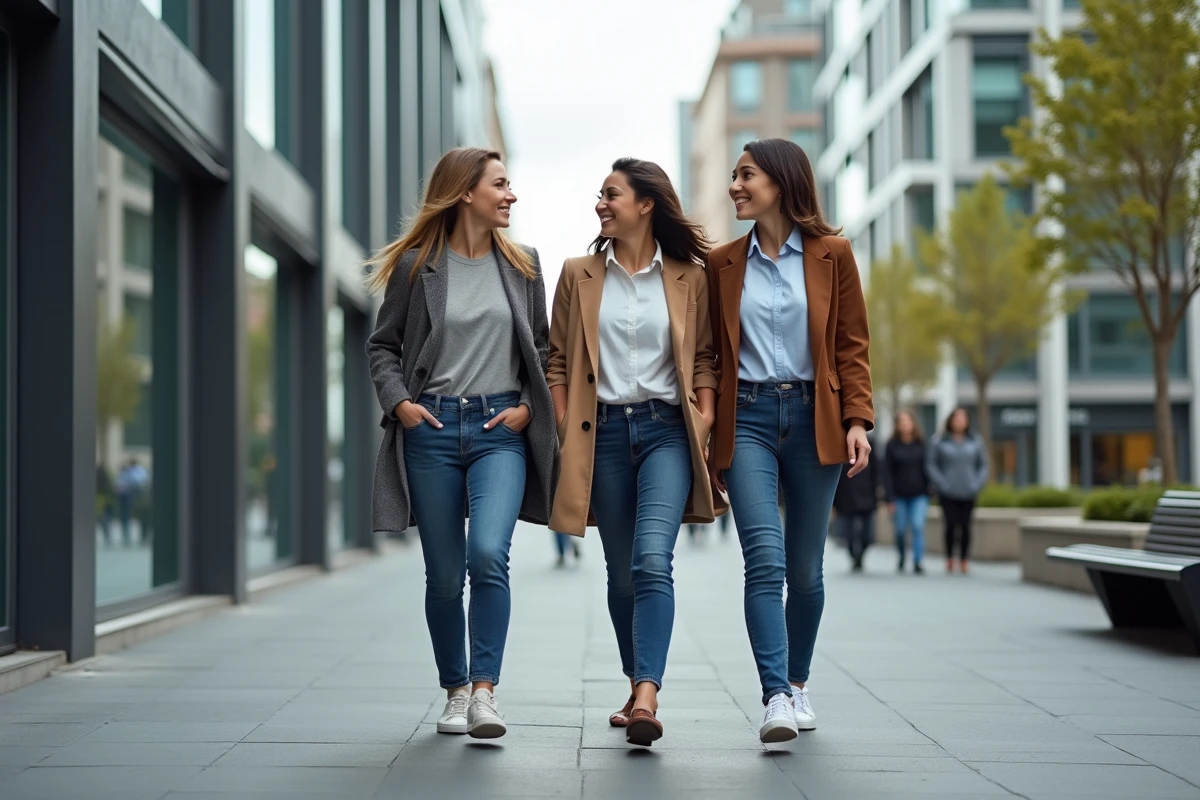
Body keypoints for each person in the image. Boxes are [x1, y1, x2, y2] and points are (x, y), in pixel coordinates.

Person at [366, 147, 555, 740]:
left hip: (502, 430)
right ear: (465, 192)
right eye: (500, 185)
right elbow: (383, 346)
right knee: (445, 575)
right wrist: (400, 404)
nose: (511, 195)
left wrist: (529, 408)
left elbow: (544, 353)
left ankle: (484, 693)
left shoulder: (524, 264)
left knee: (488, 555)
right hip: (435, 430)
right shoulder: (418, 267)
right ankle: (453, 690)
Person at [547, 158, 720, 747]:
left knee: (652, 561)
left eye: (611, 194)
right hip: (606, 437)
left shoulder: (689, 278)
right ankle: (635, 682)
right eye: (600, 194)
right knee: (621, 577)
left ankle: (648, 691)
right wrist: (567, 422)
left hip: (669, 432)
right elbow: (559, 361)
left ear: (645, 204)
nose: (601, 203)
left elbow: (702, 357)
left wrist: (705, 414)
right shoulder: (577, 274)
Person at [705, 138, 873, 743]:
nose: (735, 186)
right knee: (765, 561)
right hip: (745, 418)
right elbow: (710, 355)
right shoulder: (721, 263)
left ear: (781, 181)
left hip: (815, 418)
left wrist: (858, 419)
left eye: (746, 175)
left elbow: (852, 346)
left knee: (804, 570)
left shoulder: (833, 255)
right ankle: (775, 695)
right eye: (732, 176)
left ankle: (798, 682)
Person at [926, 407, 988, 574]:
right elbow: (931, 465)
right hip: (947, 492)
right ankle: (950, 558)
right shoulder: (939, 441)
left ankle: (965, 559)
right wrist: (941, 483)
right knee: (951, 525)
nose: (959, 421)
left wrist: (977, 483)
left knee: (966, 526)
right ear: (950, 421)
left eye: (963, 418)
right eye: (956, 418)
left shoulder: (975, 441)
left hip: (969, 491)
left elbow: (983, 465)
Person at [884, 410, 930, 574]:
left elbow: (927, 468)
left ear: (913, 423)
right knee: (901, 530)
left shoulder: (921, 443)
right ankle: (902, 555)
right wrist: (889, 498)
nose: (904, 424)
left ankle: (918, 561)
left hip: (919, 494)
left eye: (907, 421)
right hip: (899, 496)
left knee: (918, 526)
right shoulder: (891, 445)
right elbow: (887, 473)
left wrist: (931, 489)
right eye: (901, 421)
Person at [832, 436, 881, 572]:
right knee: (847, 534)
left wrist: (879, 490)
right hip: (845, 497)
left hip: (867, 495)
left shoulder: (869, 443)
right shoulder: (838, 443)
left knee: (868, 535)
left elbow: (877, 470)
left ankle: (860, 556)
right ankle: (854, 557)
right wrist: (833, 501)